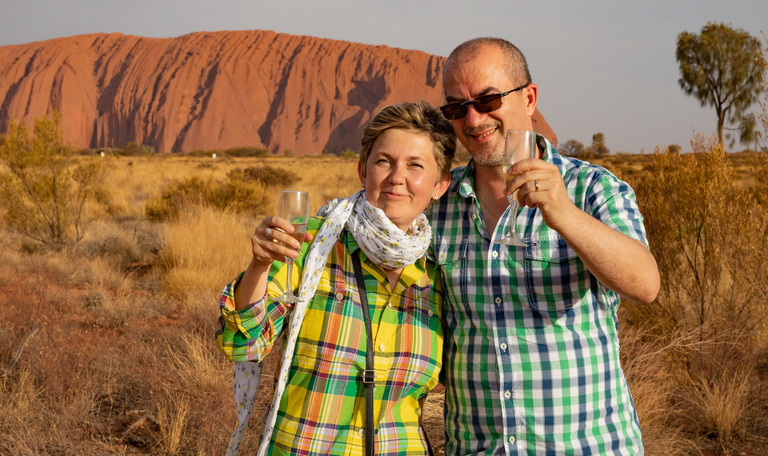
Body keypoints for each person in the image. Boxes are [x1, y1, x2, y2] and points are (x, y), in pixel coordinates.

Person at [430, 37, 660, 455]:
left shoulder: (594, 188)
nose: (474, 118)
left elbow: (645, 284)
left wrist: (565, 215)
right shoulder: (437, 208)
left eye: (489, 99)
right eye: (456, 108)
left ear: (530, 97)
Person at [215, 102, 456, 456]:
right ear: (363, 170)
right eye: (383, 161)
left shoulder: (436, 273)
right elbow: (243, 345)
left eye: (415, 165)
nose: (396, 177)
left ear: (440, 184)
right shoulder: (312, 244)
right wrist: (260, 266)